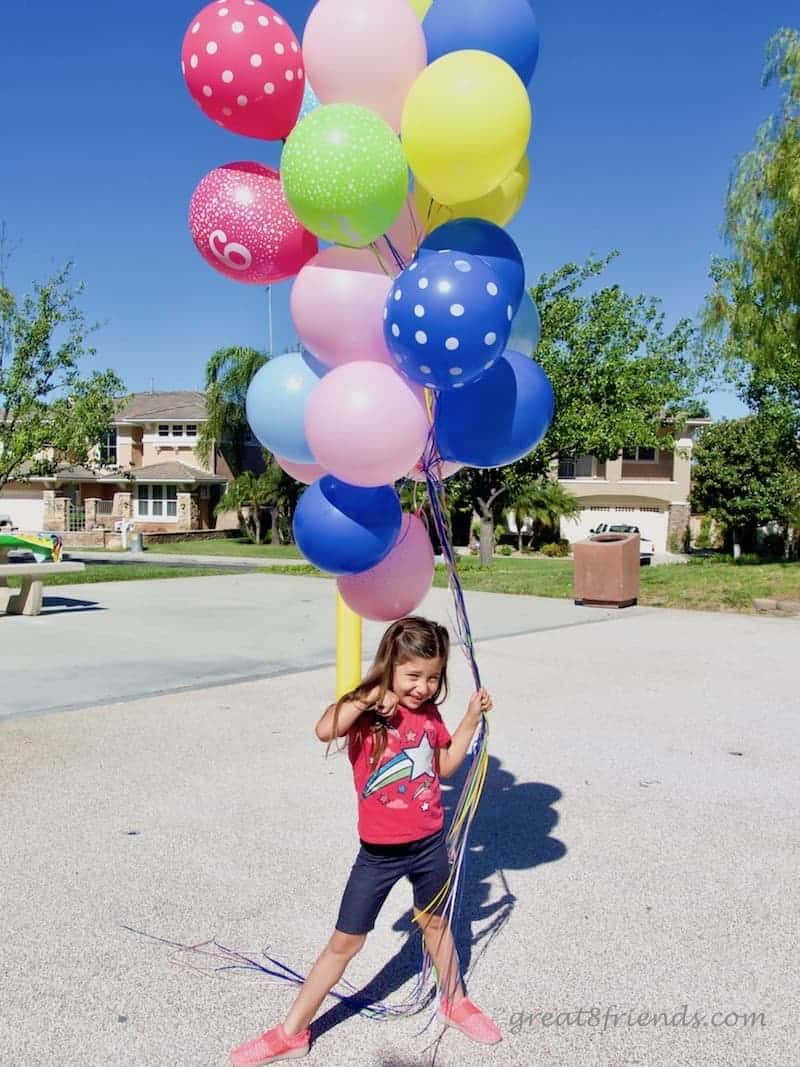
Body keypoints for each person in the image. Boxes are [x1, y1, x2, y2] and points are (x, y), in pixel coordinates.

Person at [229, 616, 502, 1065]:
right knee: (345, 942)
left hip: (429, 844)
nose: (423, 687)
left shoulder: (430, 715)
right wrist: (366, 696)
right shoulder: (368, 714)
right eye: (413, 675)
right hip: (378, 855)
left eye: (433, 677)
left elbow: (447, 766)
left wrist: (471, 718)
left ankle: (455, 1001)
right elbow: (324, 729)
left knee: (436, 924)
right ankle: (291, 1032)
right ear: (390, 666)